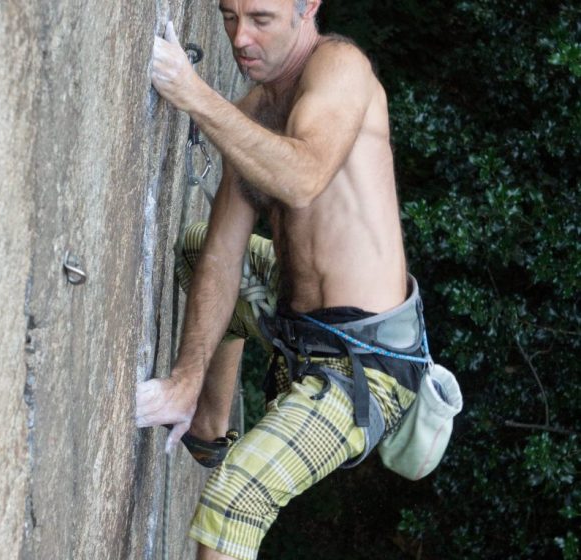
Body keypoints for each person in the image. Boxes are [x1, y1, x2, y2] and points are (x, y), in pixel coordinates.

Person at [136, 1, 430, 558]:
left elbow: (302, 177)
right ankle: (206, 421)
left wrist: (194, 94)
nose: (241, 37)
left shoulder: (339, 67)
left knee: (237, 498)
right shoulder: (255, 111)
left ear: (307, 9)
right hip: (299, 325)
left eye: (261, 19)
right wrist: (183, 378)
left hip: (366, 367)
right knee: (198, 249)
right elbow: (222, 257)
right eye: (229, 17)